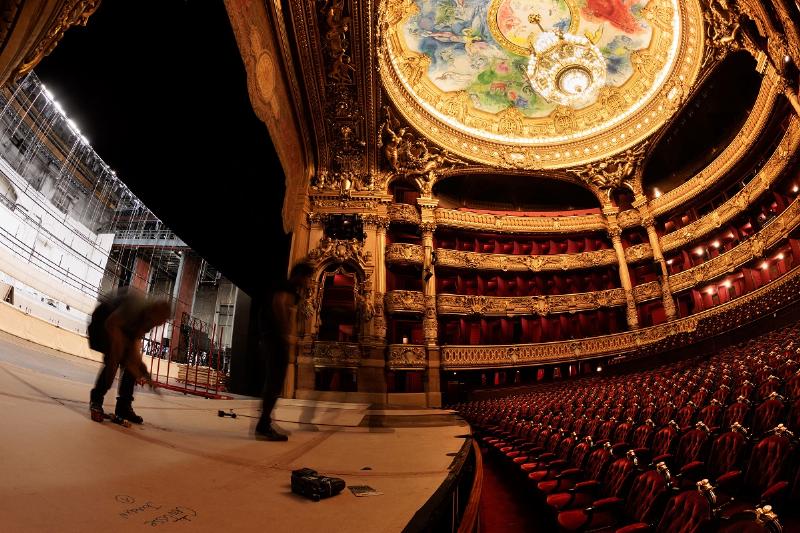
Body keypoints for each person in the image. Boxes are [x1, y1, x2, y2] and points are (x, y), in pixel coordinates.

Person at [88, 290, 172, 424]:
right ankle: (96, 400)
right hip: (103, 321)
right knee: (114, 358)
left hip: (121, 327)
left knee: (133, 366)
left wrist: (145, 374)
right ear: (155, 310)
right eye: (161, 320)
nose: (161, 324)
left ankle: (123, 407)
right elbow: (111, 324)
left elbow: (134, 351)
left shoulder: (149, 320)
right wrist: (113, 364)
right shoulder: (135, 307)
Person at [255, 262, 314, 441]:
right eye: (307, 278)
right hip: (275, 338)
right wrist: (286, 333)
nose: (308, 282)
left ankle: (264, 422)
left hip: (270, 336)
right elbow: (280, 304)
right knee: (275, 382)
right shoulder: (288, 288)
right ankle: (263, 425)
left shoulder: (287, 288)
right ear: (300, 276)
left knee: (274, 381)